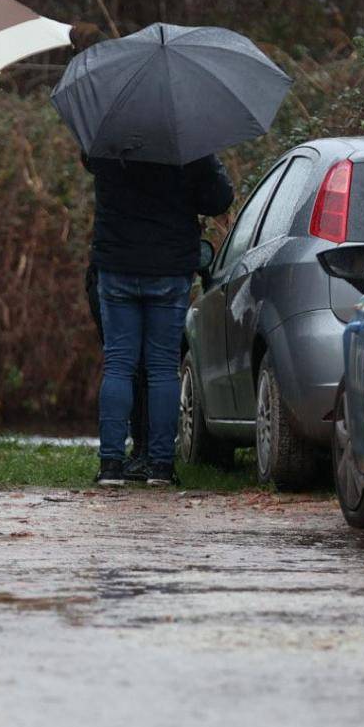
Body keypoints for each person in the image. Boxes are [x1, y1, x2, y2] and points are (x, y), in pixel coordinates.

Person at [88, 152, 233, 486]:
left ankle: (111, 465)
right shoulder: (186, 141)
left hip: (117, 264)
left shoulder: (107, 137)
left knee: (119, 364)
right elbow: (219, 197)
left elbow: (89, 161)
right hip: (170, 266)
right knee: (163, 367)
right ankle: (160, 467)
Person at [85, 263, 148, 475]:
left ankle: (112, 461)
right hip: (163, 272)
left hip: (109, 271)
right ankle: (154, 459)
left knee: (120, 366)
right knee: (154, 368)